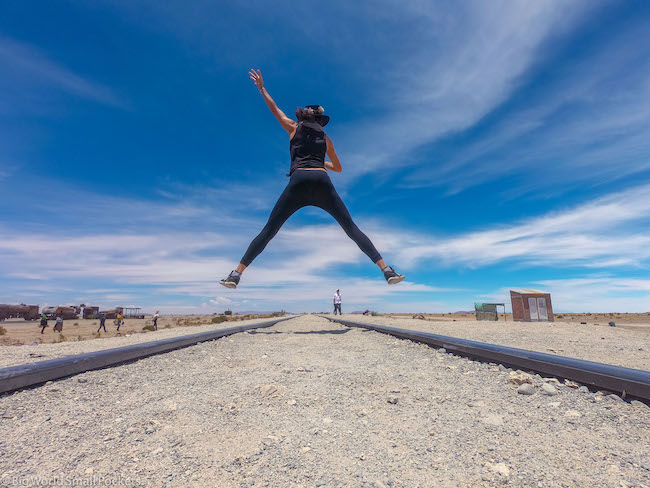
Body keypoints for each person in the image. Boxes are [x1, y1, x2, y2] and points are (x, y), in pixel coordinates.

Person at [219, 69, 405, 289]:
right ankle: (386, 270)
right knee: (351, 228)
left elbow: (275, 109)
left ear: (303, 115)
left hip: (298, 181)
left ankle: (235, 275)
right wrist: (320, 163)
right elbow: (338, 168)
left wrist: (262, 89)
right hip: (322, 181)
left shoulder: (293, 127)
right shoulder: (326, 140)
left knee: (269, 230)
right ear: (320, 120)